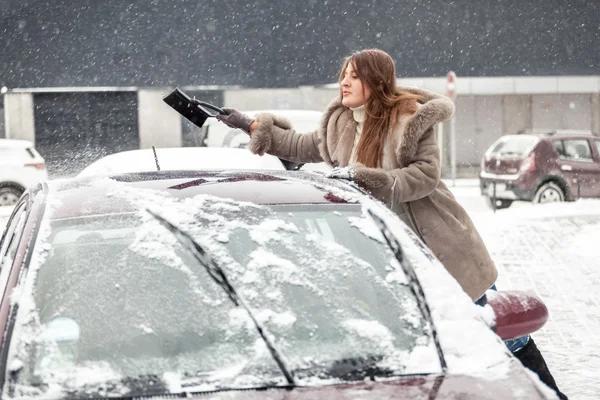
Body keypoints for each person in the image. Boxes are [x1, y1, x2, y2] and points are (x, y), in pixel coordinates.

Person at [216, 48, 567, 399]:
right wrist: (251, 125)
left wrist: (374, 180)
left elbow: (426, 174)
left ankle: (550, 394)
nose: (345, 82)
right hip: (391, 255)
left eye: (354, 76)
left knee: (500, 332)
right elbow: (301, 145)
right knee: (429, 344)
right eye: (344, 75)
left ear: (375, 81)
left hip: (440, 244)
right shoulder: (339, 122)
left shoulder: (408, 118)